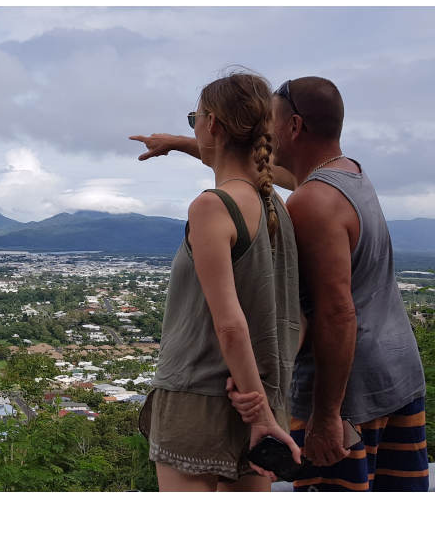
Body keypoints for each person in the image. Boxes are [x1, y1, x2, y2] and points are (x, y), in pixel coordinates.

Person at [133, 76, 428, 492]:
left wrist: (315, 415)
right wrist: (183, 142)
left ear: (291, 127)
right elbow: (244, 164)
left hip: (319, 397)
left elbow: (332, 312)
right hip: (382, 379)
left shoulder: (302, 202)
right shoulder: (331, 183)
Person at [136, 72, 303, 491]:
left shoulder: (212, 207)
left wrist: (258, 411)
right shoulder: (275, 205)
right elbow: (294, 313)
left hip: (199, 394)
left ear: (212, 124)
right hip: (258, 390)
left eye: (195, 118)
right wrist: (261, 402)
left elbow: (229, 323)